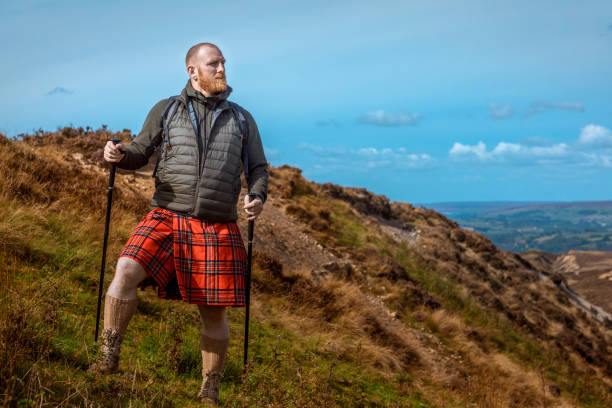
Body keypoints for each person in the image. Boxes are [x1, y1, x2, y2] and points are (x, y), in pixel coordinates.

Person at [88, 42, 268, 406]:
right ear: (192, 71)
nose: (221, 69)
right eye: (213, 63)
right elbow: (139, 152)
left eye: (223, 63)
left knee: (213, 312)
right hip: (167, 214)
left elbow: (259, 169)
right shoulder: (167, 109)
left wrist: (258, 195)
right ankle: (108, 358)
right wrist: (117, 155)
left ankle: (209, 390)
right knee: (125, 270)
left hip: (216, 223)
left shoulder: (242, 119)